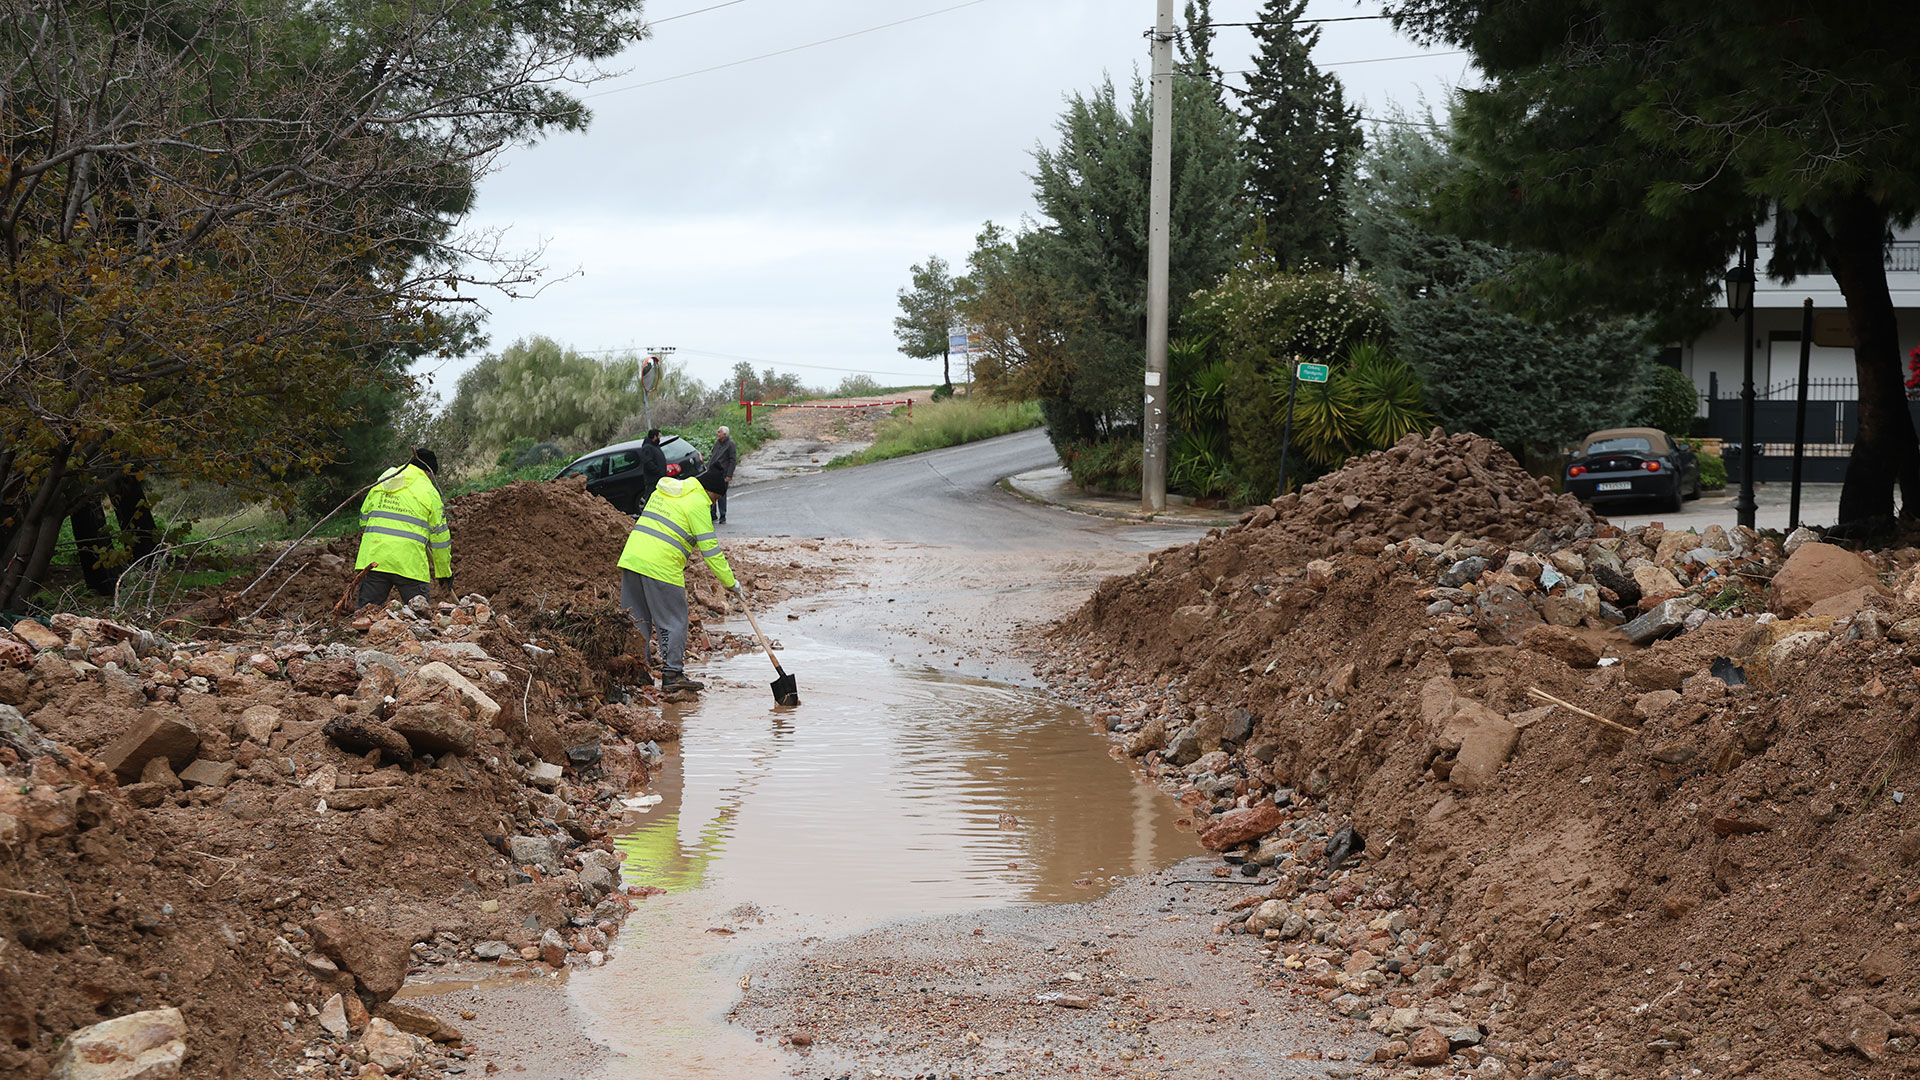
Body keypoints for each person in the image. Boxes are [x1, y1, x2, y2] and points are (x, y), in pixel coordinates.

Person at [617, 469, 735, 692]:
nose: (713, 504)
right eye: (715, 499)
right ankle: (672, 674)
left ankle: (638, 672)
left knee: (636, 618)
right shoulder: (697, 503)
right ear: (709, 492)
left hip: (632, 558)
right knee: (673, 620)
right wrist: (731, 583)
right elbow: (711, 551)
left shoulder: (665, 491)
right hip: (661, 566)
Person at [354, 448, 451, 609]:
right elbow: (440, 539)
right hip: (410, 564)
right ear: (428, 472)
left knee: (366, 615)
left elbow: (364, 520)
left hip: (374, 560)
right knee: (420, 616)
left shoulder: (384, 481)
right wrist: (444, 573)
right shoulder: (429, 491)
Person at [708, 426, 738, 524]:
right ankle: (713, 514)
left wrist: (729, 474)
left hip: (723, 473)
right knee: (712, 494)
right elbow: (713, 456)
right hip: (713, 472)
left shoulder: (730, 444)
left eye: (719, 432)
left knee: (721, 494)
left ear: (725, 434)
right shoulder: (717, 443)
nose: (717, 434)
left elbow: (733, 460)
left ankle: (722, 515)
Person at [636, 428, 668, 509]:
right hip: (653, 479)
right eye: (659, 436)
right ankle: (647, 513)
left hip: (660, 478)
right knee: (650, 498)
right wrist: (658, 471)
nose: (660, 438)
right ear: (654, 437)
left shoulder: (655, 446)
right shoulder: (647, 448)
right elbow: (648, 463)